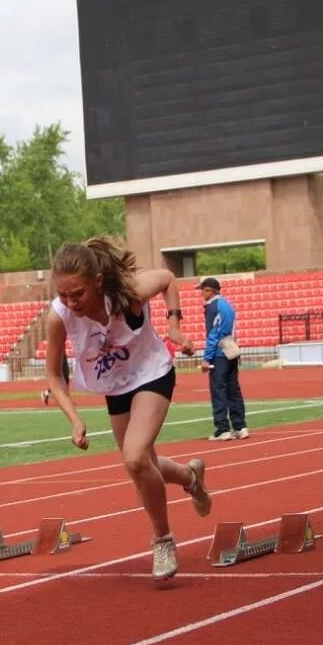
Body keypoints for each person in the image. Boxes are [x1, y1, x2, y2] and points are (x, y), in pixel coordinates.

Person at [43, 236, 209, 582]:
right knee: (141, 464)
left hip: (152, 373)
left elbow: (167, 278)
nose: (71, 302)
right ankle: (190, 477)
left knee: (135, 458)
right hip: (115, 387)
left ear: (98, 282)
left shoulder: (128, 291)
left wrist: (174, 325)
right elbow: (54, 378)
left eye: (78, 294)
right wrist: (74, 420)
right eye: (63, 295)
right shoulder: (58, 317)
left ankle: (162, 539)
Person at [198, 277, 248, 441]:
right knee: (233, 389)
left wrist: (207, 358)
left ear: (209, 291)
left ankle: (222, 429)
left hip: (219, 354)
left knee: (218, 390)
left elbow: (214, 333)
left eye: (203, 290)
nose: (201, 294)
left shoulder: (212, 307)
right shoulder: (227, 305)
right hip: (231, 350)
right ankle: (240, 427)